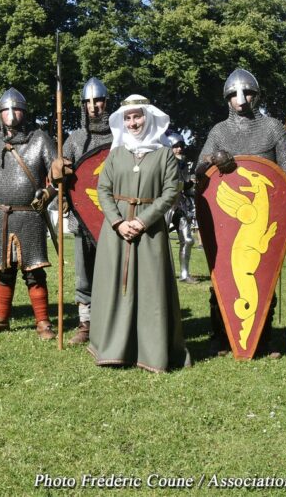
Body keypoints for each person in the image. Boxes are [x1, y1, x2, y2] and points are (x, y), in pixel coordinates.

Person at [196, 68, 286, 359]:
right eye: (234, 95)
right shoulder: (219, 132)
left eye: (248, 93)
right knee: (222, 279)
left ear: (257, 95)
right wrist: (211, 159)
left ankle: (263, 339)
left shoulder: (273, 129)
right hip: (226, 222)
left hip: (263, 219)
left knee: (264, 276)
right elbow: (199, 173)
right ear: (227, 100)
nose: (241, 100)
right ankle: (220, 337)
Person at [87, 95, 190, 371]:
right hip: (116, 232)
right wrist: (118, 222)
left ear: (148, 117)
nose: (133, 123)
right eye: (128, 118)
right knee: (115, 288)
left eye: (137, 116)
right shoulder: (116, 154)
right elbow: (103, 190)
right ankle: (113, 348)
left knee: (150, 290)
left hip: (151, 231)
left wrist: (143, 221)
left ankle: (150, 352)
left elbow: (171, 191)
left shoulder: (164, 154)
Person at [0, 87, 57, 341]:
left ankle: (43, 322)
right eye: (6, 109)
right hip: (0, 216)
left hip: (30, 216)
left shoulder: (40, 139)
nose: (11, 113)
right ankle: (0, 319)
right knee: (3, 270)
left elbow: (58, 175)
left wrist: (49, 193)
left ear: (24, 112)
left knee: (34, 271)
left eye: (16, 109)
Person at [55, 77, 113, 344]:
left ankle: (114, 322)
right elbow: (61, 178)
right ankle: (86, 324)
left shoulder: (120, 136)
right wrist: (57, 170)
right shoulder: (75, 139)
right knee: (84, 274)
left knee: (115, 271)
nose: (93, 106)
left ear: (106, 103)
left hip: (113, 218)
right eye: (88, 102)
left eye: (97, 101)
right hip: (83, 217)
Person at [162, 130, 198, 284]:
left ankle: (184, 274)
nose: (179, 149)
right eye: (175, 146)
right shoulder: (162, 163)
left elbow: (186, 188)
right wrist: (185, 184)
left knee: (188, 240)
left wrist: (191, 186)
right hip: (164, 205)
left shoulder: (183, 164)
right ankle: (160, 275)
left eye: (181, 146)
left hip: (180, 204)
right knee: (159, 242)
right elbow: (166, 184)